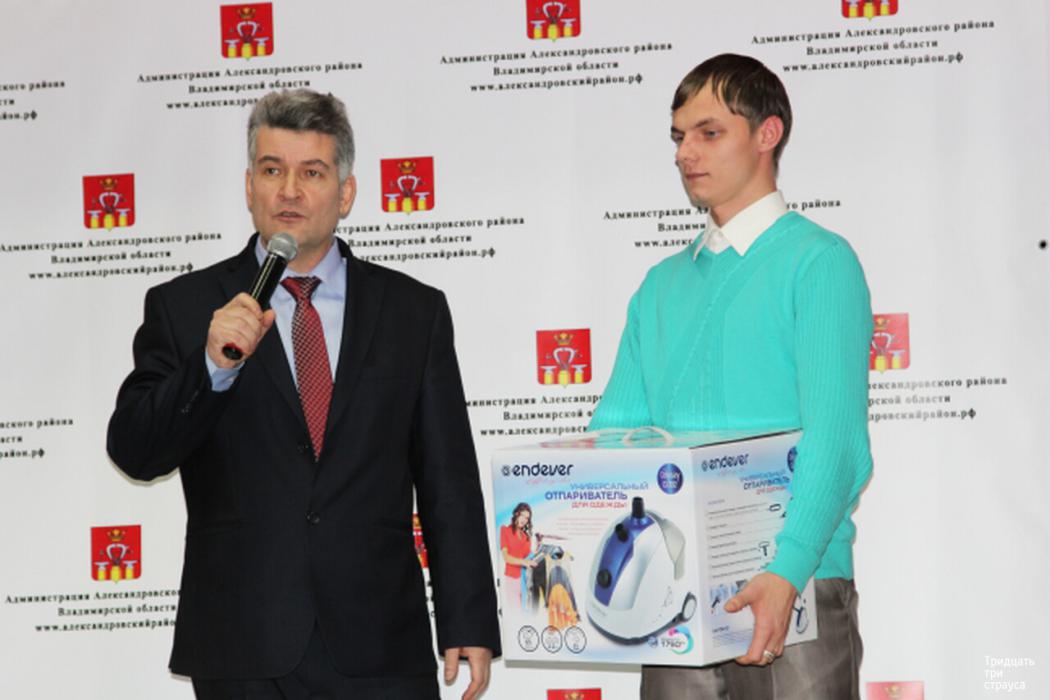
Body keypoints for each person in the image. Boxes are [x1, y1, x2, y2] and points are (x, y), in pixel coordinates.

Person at [107, 89, 500, 700]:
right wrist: (209, 367)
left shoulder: (413, 311)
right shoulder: (185, 307)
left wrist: (467, 615)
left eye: (312, 172)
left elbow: (447, 477)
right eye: (272, 171)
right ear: (249, 187)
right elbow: (135, 450)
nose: (289, 190)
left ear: (345, 193)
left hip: (379, 643)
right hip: (243, 646)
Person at [589, 54, 873, 699]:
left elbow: (837, 446)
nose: (685, 153)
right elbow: (615, 436)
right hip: (671, 591)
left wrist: (787, 570)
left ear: (767, 133)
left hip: (796, 582)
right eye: (678, 136)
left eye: (709, 132)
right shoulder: (659, 285)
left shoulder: (819, 262)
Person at [499, 502, 537, 611]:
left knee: (527, 612)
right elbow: (506, 557)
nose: (524, 520)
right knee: (516, 613)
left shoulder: (526, 537)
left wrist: (539, 548)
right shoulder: (505, 530)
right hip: (512, 579)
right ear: (516, 514)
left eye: (527, 518)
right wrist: (523, 562)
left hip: (525, 580)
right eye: (522, 515)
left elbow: (529, 557)